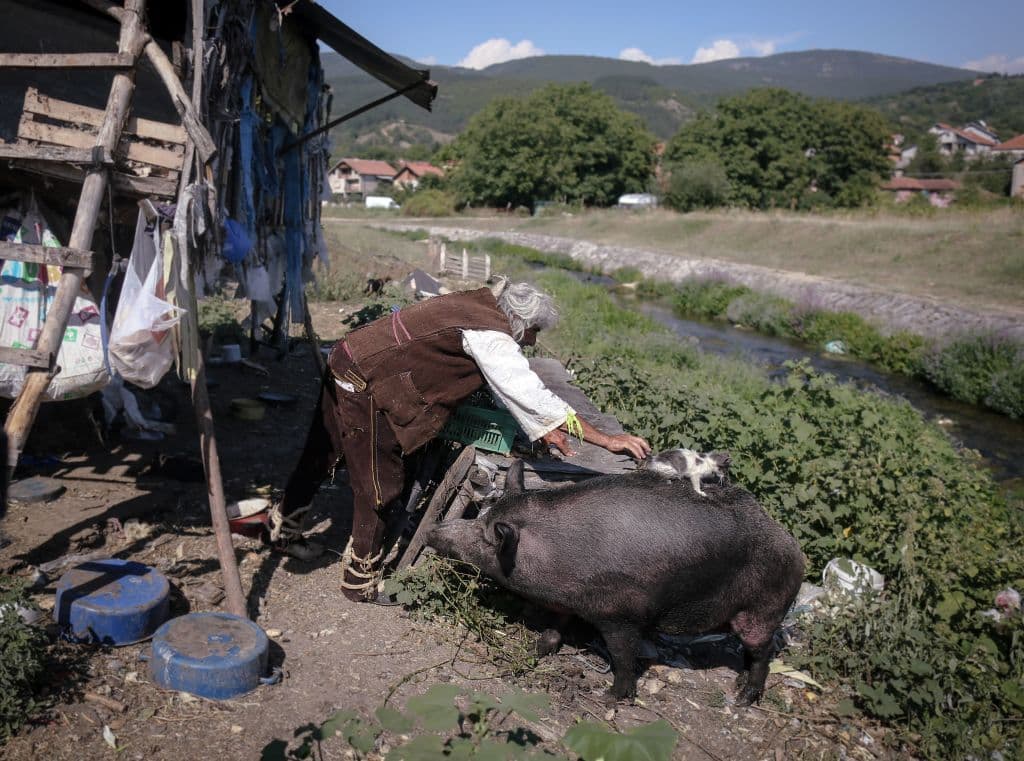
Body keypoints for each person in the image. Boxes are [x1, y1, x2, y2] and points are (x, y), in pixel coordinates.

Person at [270, 277, 651, 603]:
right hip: (365, 381)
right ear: (519, 320)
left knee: (321, 452)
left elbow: (508, 387)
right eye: (533, 331)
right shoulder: (492, 337)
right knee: (379, 482)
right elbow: (527, 392)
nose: (532, 341)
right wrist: (607, 440)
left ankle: (282, 530)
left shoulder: (481, 302)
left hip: (351, 356)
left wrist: (544, 425)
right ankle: (360, 582)